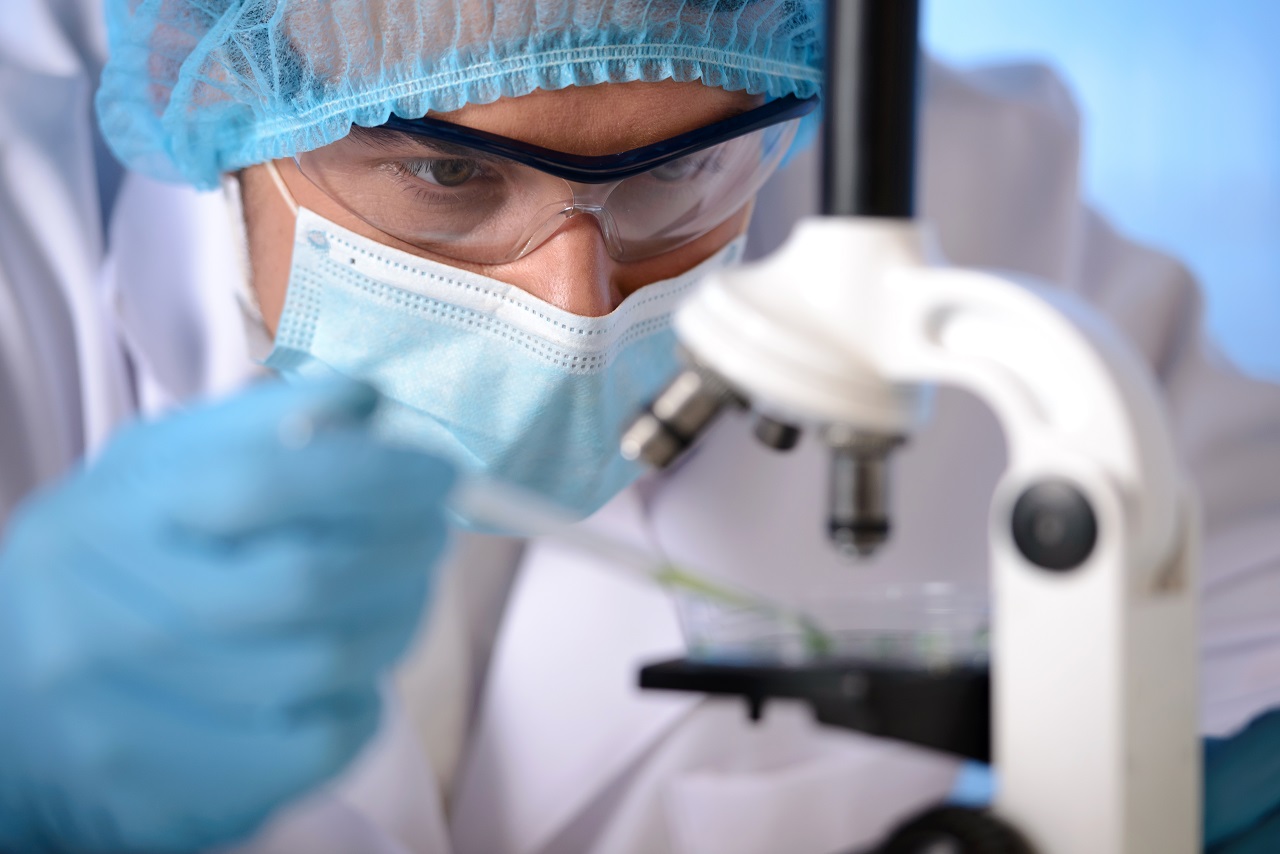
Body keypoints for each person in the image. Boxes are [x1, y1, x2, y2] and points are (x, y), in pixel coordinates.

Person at [1, 0, 1279, 852]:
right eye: (448, 174)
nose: (576, 312)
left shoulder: (943, 190)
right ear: (198, 79)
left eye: (673, 173)